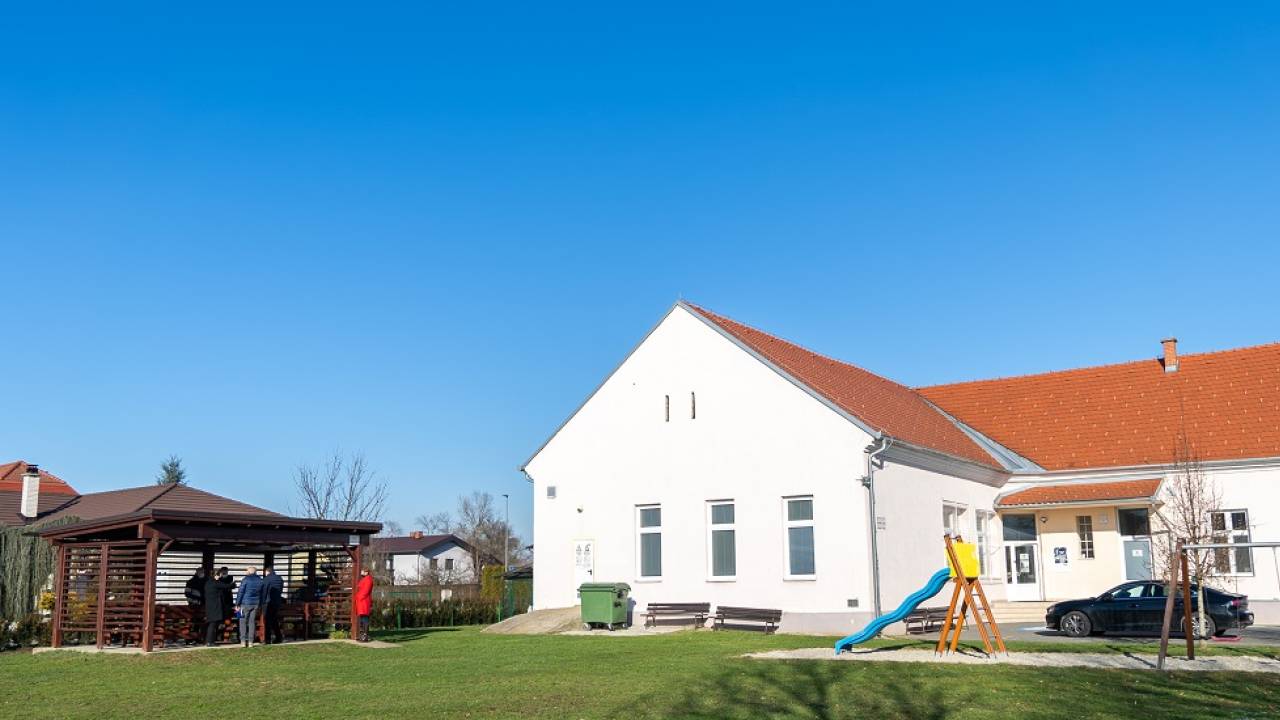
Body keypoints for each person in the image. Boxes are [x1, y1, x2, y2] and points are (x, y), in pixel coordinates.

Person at [235, 566, 265, 647]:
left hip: (244, 604)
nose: (246, 572)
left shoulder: (245, 579)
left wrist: (237, 604)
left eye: (247, 571)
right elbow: (262, 593)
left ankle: (243, 641)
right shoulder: (260, 580)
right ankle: (251, 642)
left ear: (249, 571)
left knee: (242, 622)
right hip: (255, 604)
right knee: (252, 622)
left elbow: (240, 592)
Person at [204, 567, 234, 647]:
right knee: (213, 624)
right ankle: (209, 642)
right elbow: (226, 586)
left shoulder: (208, 582)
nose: (220, 576)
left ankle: (210, 641)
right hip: (214, 607)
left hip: (210, 606)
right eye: (219, 575)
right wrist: (233, 585)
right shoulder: (215, 582)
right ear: (216, 575)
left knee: (212, 624)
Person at [262, 566, 285, 645]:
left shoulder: (266, 579)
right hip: (277, 602)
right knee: (274, 620)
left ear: (267, 572)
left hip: (268, 602)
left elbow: (264, 591)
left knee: (267, 621)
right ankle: (278, 637)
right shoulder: (279, 578)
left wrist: (262, 601)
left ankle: (267, 639)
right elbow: (281, 590)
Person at [184, 567, 207, 645]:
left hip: (202, 604)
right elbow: (187, 593)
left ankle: (197, 638)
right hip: (194, 604)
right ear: (197, 572)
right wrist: (194, 599)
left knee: (199, 621)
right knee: (193, 621)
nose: (202, 573)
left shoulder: (206, 581)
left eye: (203, 572)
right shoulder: (191, 582)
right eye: (201, 572)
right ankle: (189, 638)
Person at [354, 567, 374, 642]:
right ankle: (363, 635)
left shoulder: (368, 580)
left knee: (365, 618)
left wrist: (359, 597)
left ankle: (365, 636)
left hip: (364, 601)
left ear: (366, 572)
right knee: (362, 618)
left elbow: (365, 591)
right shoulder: (365, 579)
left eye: (362, 571)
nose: (361, 572)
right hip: (362, 601)